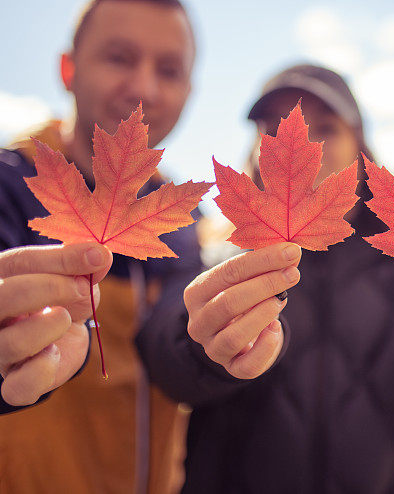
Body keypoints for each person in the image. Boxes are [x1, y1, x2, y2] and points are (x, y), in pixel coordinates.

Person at [137, 64, 394, 493]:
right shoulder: (215, 250)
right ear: (253, 150)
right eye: (273, 129)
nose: (301, 145)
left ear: (361, 150)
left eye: (326, 127)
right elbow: (164, 346)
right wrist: (204, 348)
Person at [0, 0, 208, 492]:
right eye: (118, 57)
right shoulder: (10, 185)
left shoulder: (183, 219)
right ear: (68, 69)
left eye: (169, 69)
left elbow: (174, 350)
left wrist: (221, 355)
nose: (143, 89)